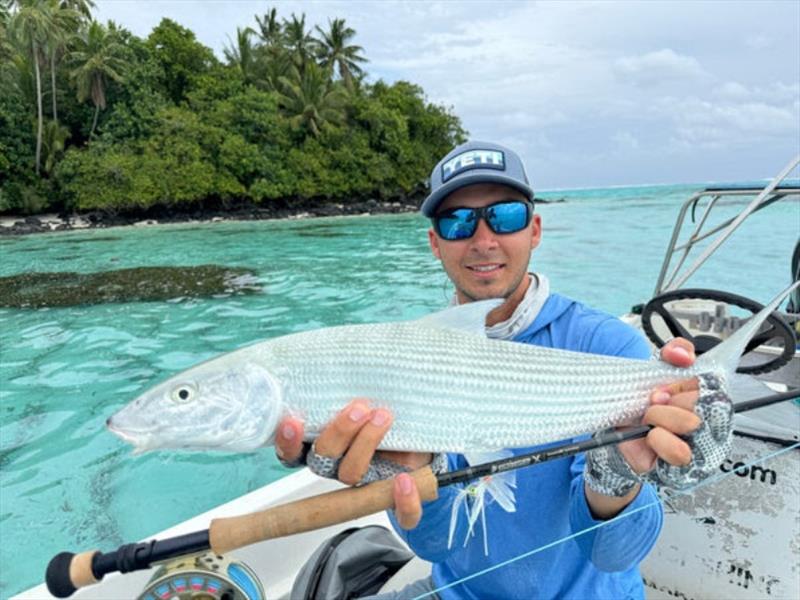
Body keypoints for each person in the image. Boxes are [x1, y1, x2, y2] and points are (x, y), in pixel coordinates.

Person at [275, 141, 730, 599]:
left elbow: (614, 556)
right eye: (458, 221)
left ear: (534, 229)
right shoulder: (409, 359)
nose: (484, 240)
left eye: (505, 216)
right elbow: (436, 546)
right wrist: (407, 474)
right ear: (435, 243)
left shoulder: (607, 345)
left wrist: (616, 474)